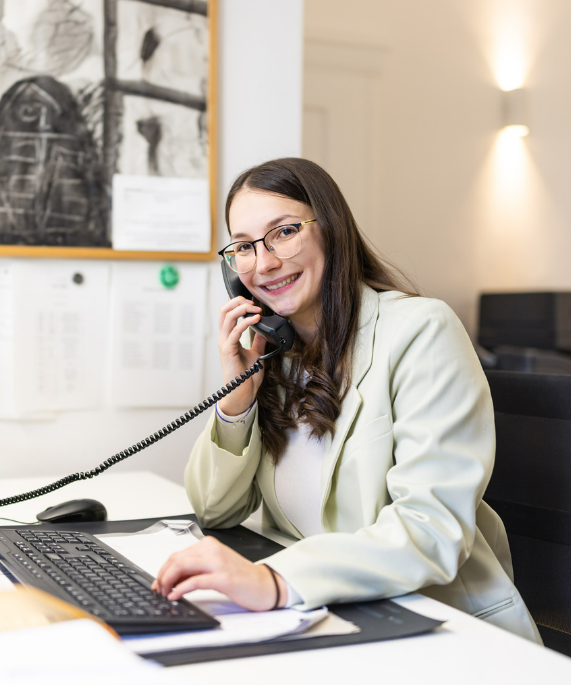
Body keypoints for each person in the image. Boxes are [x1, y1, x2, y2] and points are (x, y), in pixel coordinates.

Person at [152, 158, 541, 643]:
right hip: (330, 618)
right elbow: (215, 511)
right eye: (244, 247)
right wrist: (239, 395)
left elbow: (432, 529)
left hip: (440, 626)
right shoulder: (274, 354)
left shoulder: (421, 331)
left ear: (331, 230)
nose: (264, 262)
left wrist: (277, 581)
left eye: (285, 232)